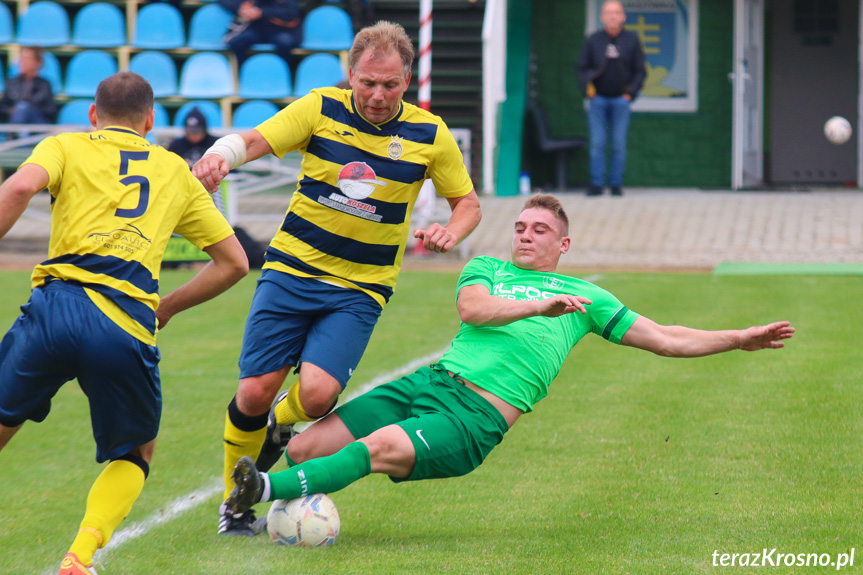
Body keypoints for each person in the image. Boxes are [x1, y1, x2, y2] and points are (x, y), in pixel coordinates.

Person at [220, 193, 795, 528]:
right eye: (520, 226)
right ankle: (281, 470)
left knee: (376, 448)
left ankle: (259, 493)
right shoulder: (488, 270)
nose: (525, 235)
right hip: (431, 381)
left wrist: (738, 337)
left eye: (539, 229)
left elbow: (666, 337)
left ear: (562, 245)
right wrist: (538, 306)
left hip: (476, 418)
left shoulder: (588, 298)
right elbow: (474, 310)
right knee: (304, 448)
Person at [192, 20, 482, 536]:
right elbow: (257, 139)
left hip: (360, 289)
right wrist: (221, 155)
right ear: (351, 73)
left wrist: (450, 232)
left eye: (389, 85)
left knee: (319, 396)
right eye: (367, 82)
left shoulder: (429, 134)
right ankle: (235, 505)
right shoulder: (321, 107)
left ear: (407, 80)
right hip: (291, 270)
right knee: (255, 393)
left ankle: (282, 423)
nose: (376, 94)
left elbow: (468, 204)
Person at [0, 72, 249, 575]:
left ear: (93, 114)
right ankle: (79, 558)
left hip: (54, 307)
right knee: (137, 452)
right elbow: (235, 263)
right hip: (124, 322)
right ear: (151, 121)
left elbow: (21, 185)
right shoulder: (174, 170)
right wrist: (169, 306)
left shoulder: (64, 145)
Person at [577, 0, 645, 197]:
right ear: (602, 17)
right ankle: (597, 184)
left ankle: (616, 185)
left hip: (621, 101)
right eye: (608, 12)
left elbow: (640, 71)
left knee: (618, 143)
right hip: (597, 100)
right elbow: (581, 68)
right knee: (597, 143)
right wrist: (588, 90)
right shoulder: (593, 40)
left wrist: (630, 94)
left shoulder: (631, 40)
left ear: (623, 17)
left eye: (616, 12)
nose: (612, 16)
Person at [220, 0, 303, 67]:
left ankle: (284, 73)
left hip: (282, 30)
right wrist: (242, 8)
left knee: (285, 42)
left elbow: (291, 12)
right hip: (258, 30)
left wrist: (262, 12)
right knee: (236, 42)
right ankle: (245, 72)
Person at [0, 47, 57, 126]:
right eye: (21, 59)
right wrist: (12, 110)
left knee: (23, 107)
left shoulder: (45, 84)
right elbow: (3, 107)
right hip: (14, 120)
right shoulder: (11, 83)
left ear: (37, 63)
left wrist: (29, 109)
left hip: (37, 123)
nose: (22, 62)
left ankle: (17, 136)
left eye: (27, 59)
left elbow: (50, 111)